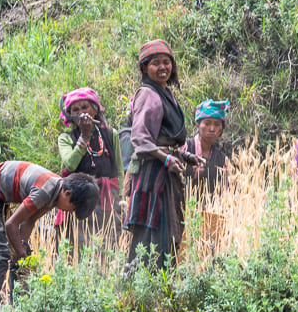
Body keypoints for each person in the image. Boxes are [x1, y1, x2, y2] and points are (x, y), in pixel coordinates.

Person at [0, 161, 99, 308]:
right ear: (67, 194)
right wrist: (21, 252)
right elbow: (11, 224)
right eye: (73, 208)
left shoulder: (55, 193)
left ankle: (16, 307)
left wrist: (22, 249)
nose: (70, 212)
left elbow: (29, 220)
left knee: (20, 256)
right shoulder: (44, 192)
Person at [126, 39, 199, 268]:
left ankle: (161, 280)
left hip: (166, 173)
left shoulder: (165, 93)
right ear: (145, 67)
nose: (162, 67)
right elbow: (140, 139)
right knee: (154, 231)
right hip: (153, 175)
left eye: (166, 62)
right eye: (155, 63)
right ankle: (144, 280)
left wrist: (185, 156)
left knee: (169, 231)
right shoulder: (148, 94)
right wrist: (166, 158)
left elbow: (165, 138)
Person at [56, 87, 123, 248]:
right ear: (70, 116)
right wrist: (84, 136)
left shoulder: (111, 135)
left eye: (85, 107)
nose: (81, 113)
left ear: (95, 109)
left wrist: (120, 197)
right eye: (75, 110)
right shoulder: (65, 139)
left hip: (107, 199)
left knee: (107, 245)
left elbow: (119, 170)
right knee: (78, 246)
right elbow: (70, 164)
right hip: (78, 200)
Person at [186, 99, 232, 193]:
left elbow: (225, 192)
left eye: (217, 124)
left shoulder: (222, 160)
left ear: (221, 129)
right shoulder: (185, 147)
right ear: (197, 126)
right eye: (207, 123)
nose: (212, 129)